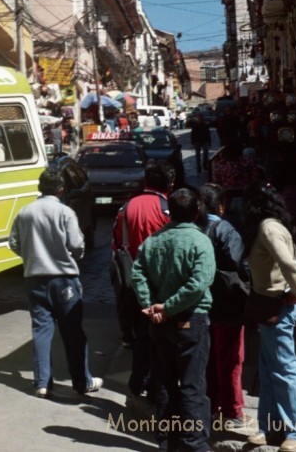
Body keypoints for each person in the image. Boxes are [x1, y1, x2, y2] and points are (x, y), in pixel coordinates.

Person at [132, 188, 216, 452]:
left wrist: (150, 306)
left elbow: (138, 274)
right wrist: (167, 307)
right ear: (196, 211)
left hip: (160, 324)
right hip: (190, 321)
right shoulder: (200, 241)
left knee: (166, 384)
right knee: (192, 386)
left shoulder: (153, 240)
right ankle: (194, 444)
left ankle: (167, 442)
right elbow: (198, 284)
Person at [9, 167, 102, 398]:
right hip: (63, 280)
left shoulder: (25, 212)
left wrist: (31, 256)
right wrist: (71, 256)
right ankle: (82, 382)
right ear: (61, 189)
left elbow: (13, 243)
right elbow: (77, 245)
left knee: (41, 330)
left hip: (34, 279)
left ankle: (42, 383)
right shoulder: (65, 212)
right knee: (73, 333)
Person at [242, 182, 296, 451]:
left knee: (284, 370)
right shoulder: (273, 225)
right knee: (269, 368)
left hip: (277, 306)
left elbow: (288, 264)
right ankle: (271, 427)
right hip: (269, 306)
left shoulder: (267, 228)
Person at [111, 161, 174, 408]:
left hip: (133, 282)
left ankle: (137, 382)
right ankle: (155, 387)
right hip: (160, 283)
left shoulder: (126, 207)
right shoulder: (167, 209)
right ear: (169, 185)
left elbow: (116, 243)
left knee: (140, 336)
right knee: (160, 338)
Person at [199, 183, 252, 430]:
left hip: (199, 305)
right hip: (226, 305)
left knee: (207, 358)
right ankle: (232, 410)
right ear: (221, 206)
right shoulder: (225, 229)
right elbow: (240, 264)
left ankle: (210, 406)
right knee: (230, 358)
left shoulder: (191, 228)